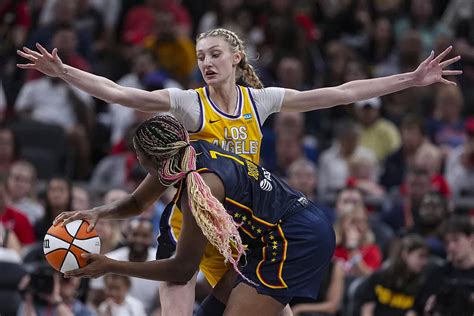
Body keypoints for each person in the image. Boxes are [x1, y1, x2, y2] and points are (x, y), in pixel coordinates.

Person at [17, 27, 462, 315]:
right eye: (200, 56)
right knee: (180, 285)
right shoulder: (190, 103)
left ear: (235, 57)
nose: (206, 62)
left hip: (243, 225)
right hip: (193, 218)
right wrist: (64, 72)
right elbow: (118, 93)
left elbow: (341, 92)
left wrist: (409, 79)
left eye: (214, 54)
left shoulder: (260, 100)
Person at [54, 115, 336, 315]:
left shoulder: (200, 190)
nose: (136, 159)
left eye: (138, 154)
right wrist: (96, 212)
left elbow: (182, 269)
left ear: (152, 159)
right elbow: (138, 201)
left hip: (296, 239)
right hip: (271, 234)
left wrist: (110, 265)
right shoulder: (184, 154)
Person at [358, 234, 429, 316]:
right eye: (421, 256)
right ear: (405, 253)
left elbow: (413, 313)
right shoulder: (380, 277)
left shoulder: (422, 284)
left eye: (426, 257)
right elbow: (367, 310)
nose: (425, 262)